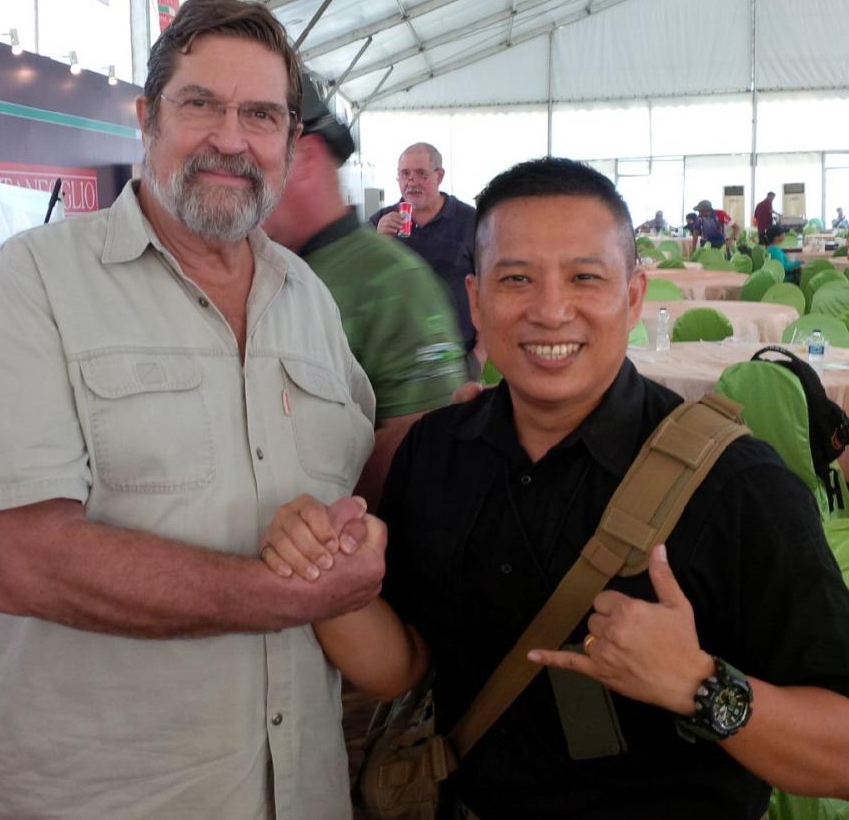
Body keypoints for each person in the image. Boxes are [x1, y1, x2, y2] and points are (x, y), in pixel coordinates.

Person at [263, 158, 849, 820]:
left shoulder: (736, 486)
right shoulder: (437, 453)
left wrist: (699, 684)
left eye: (584, 278)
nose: (549, 311)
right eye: (516, 279)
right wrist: (326, 579)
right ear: (475, 300)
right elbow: (403, 665)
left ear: (633, 296)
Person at [0, 0, 386, 819]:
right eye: (201, 104)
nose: (231, 139)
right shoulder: (32, 282)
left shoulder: (310, 302)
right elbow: (25, 562)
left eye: (261, 115)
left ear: (291, 142)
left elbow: (352, 499)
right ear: (147, 119)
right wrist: (286, 595)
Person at [264, 73, 466, 509]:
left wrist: (321, 522)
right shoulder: (260, 266)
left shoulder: (395, 282)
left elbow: (422, 444)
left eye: (254, 155)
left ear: (304, 157)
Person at [368, 143, 478, 368]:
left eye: (421, 174)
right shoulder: (379, 222)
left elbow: (489, 286)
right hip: (398, 359)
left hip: (458, 355)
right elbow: (362, 284)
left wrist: (481, 353)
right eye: (405, 174)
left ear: (440, 176)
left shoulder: (470, 221)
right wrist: (378, 242)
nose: (412, 182)